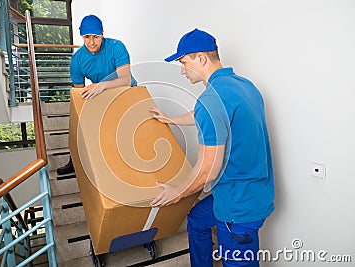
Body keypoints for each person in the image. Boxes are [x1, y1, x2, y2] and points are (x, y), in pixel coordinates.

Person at [149, 28, 275, 267]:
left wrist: (176, 193)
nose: (182, 70)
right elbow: (211, 115)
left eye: (184, 62)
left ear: (201, 58)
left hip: (237, 208)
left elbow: (207, 170)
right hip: (254, 192)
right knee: (197, 219)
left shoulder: (210, 101)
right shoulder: (244, 86)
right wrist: (171, 119)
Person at [57, 14, 137, 175]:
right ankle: (75, 160)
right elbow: (79, 94)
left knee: (123, 127)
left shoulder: (116, 47)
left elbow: (126, 80)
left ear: (102, 34)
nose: (92, 42)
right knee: (82, 120)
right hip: (101, 93)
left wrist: (102, 86)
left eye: (96, 37)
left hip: (126, 91)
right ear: (82, 36)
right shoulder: (77, 60)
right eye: (87, 37)